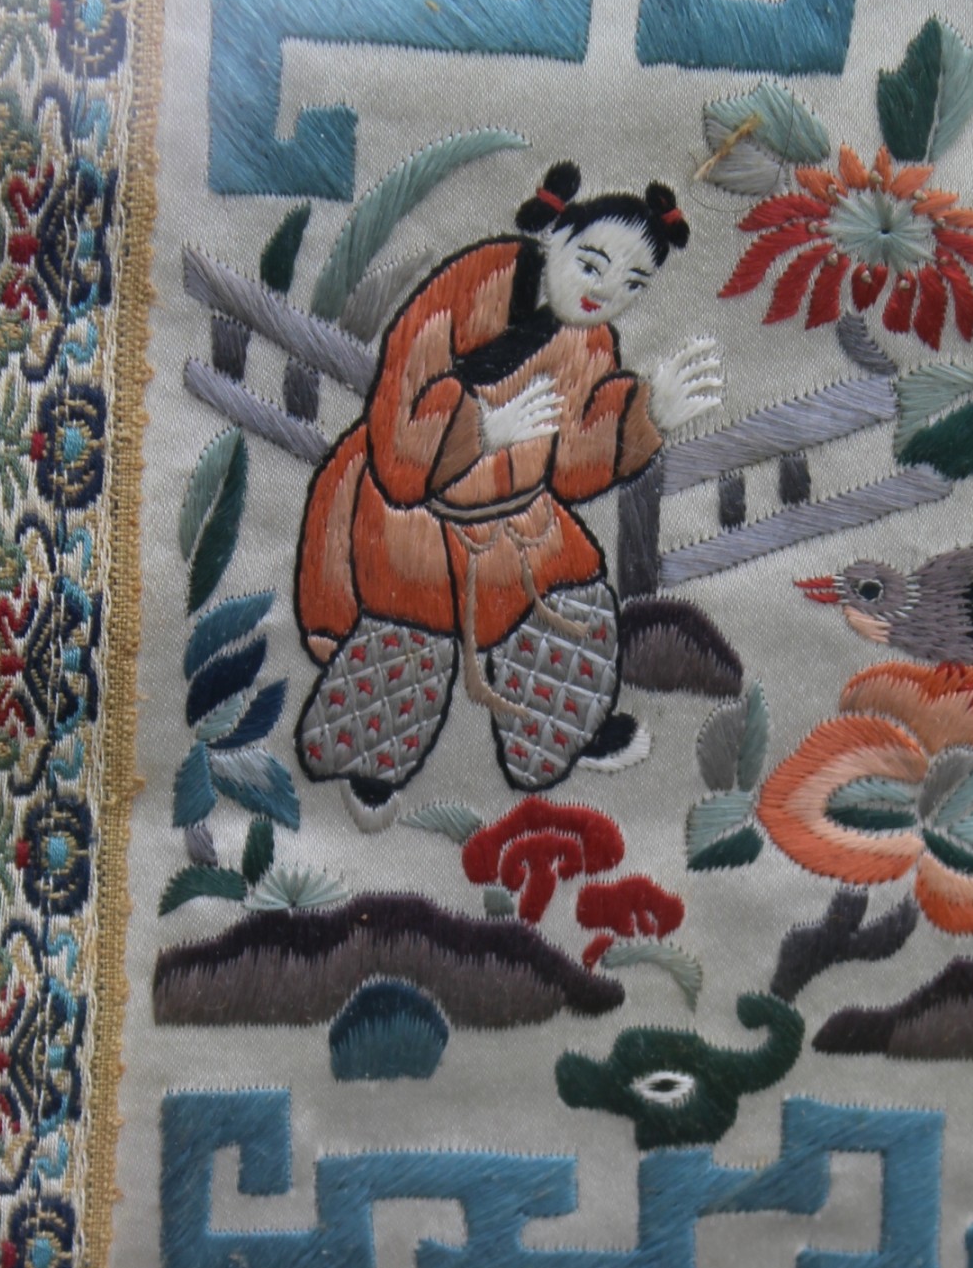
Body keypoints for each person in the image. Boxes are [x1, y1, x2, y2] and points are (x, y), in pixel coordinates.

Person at [294, 162, 722, 808]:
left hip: (520, 518)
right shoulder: (466, 290)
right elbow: (400, 406)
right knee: (408, 633)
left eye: (632, 282)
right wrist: (480, 428)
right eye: (592, 264)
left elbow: (571, 465)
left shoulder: (590, 342)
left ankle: (557, 736)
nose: (605, 291)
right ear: (554, 237)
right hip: (416, 511)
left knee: (575, 605)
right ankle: (366, 762)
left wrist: (647, 416)